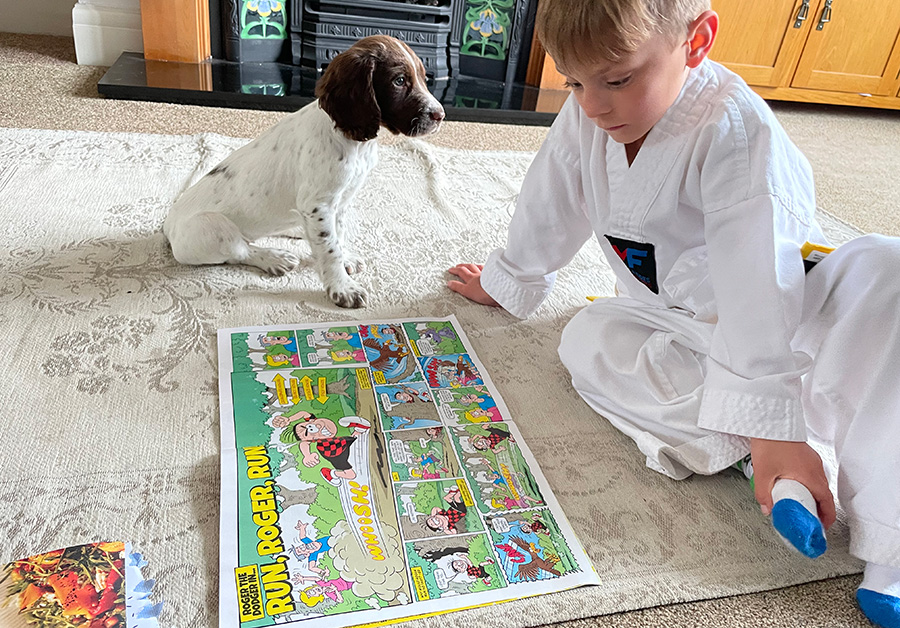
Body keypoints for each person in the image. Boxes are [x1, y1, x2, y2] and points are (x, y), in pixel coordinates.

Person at [447, 1, 900, 625]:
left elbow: (757, 278)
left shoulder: (738, 134)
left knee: (889, 281)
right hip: (685, 324)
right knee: (590, 336)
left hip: (805, 308)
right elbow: (549, 199)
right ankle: (747, 445)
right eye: (573, 81)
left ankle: (892, 545)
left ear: (696, 41)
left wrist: (774, 419)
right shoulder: (587, 119)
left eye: (617, 79)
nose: (591, 105)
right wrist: (512, 279)